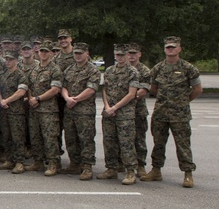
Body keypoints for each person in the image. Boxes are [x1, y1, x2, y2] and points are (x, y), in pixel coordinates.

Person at [143, 36, 203, 188]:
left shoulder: (188, 68)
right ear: (164, 49)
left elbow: (197, 89)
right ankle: (156, 170)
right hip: (161, 113)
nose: (170, 49)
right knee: (158, 144)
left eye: (173, 47)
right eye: (168, 47)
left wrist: (183, 101)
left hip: (180, 115)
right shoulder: (158, 68)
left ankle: (188, 173)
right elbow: (154, 88)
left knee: (183, 145)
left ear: (179, 49)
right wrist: (165, 101)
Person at [99, 44, 140, 185]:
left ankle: (130, 171)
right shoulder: (109, 70)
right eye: (117, 55)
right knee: (109, 141)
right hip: (109, 112)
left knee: (126, 143)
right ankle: (111, 168)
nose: (119, 58)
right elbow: (104, 90)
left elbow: (132, 94)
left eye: (122, 55)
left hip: (124, 113)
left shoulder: (132, 72)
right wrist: (107, 106)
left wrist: (115, 107)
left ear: (127, 55)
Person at [59, 42, 100, 180]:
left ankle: (87, 166)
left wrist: (75, 99)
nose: (77, 56)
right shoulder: (69, 69)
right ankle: (74, 163)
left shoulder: (92, 70)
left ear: (87, 53)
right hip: (70, 109)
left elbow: (91, 89)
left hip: (84, 111)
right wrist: (67, 98)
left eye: (80, 53)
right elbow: (63, 86)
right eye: (75, 53)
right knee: (70, 138)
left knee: (86, 139)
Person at [26, 41, 63, 176]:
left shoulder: (55, 69)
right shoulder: (34, 69)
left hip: (48, 110)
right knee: (35, 136)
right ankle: (38, 161)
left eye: (46, 51)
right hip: (34, 108)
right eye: (41, 51)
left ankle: (53, 163)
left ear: (51, 53)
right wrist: (31, 98)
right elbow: (29, 86)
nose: (43, 54)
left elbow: (55, 89)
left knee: (50, 137)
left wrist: (38, 99)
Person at [0, 50, 28, 173]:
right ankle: (9, 159)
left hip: (16, 111)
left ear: (16, 60)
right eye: (6, 59)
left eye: (10, 59)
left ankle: (19, 162)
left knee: (17, 137)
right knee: (6, 136)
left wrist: (7, 100)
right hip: (4, 110)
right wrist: (1, 100)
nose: (7, 61)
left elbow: (21, 92)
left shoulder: (21, 75)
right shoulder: (2, 75)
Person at [126, 43, 152, 178]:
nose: (131, 55)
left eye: (134, 53)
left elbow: (143, 90)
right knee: (122, 138)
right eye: (129, 53)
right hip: (122, 110)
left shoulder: (144, 70)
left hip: (138, 109)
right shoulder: (122, 69)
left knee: (139, 139)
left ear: (139, 54)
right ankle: (121, 163)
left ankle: (140, 165)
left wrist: (129, 97)